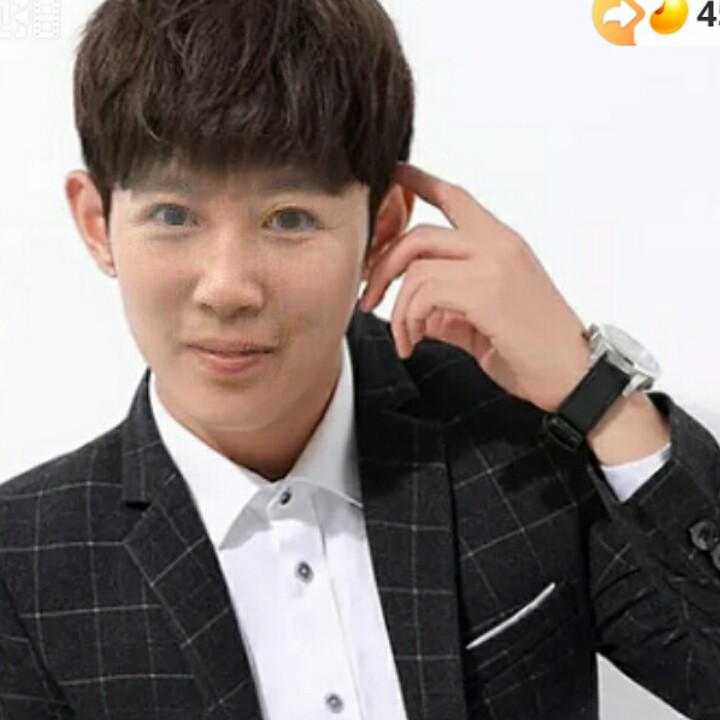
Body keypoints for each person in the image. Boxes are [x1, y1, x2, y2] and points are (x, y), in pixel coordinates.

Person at [1, 0, 719, 718]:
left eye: (289, 218)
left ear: (382, 229)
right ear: (97, 223)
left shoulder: (513, 432)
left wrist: (595, 393)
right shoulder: (23, 566)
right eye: (173, 215)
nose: (227, 289)